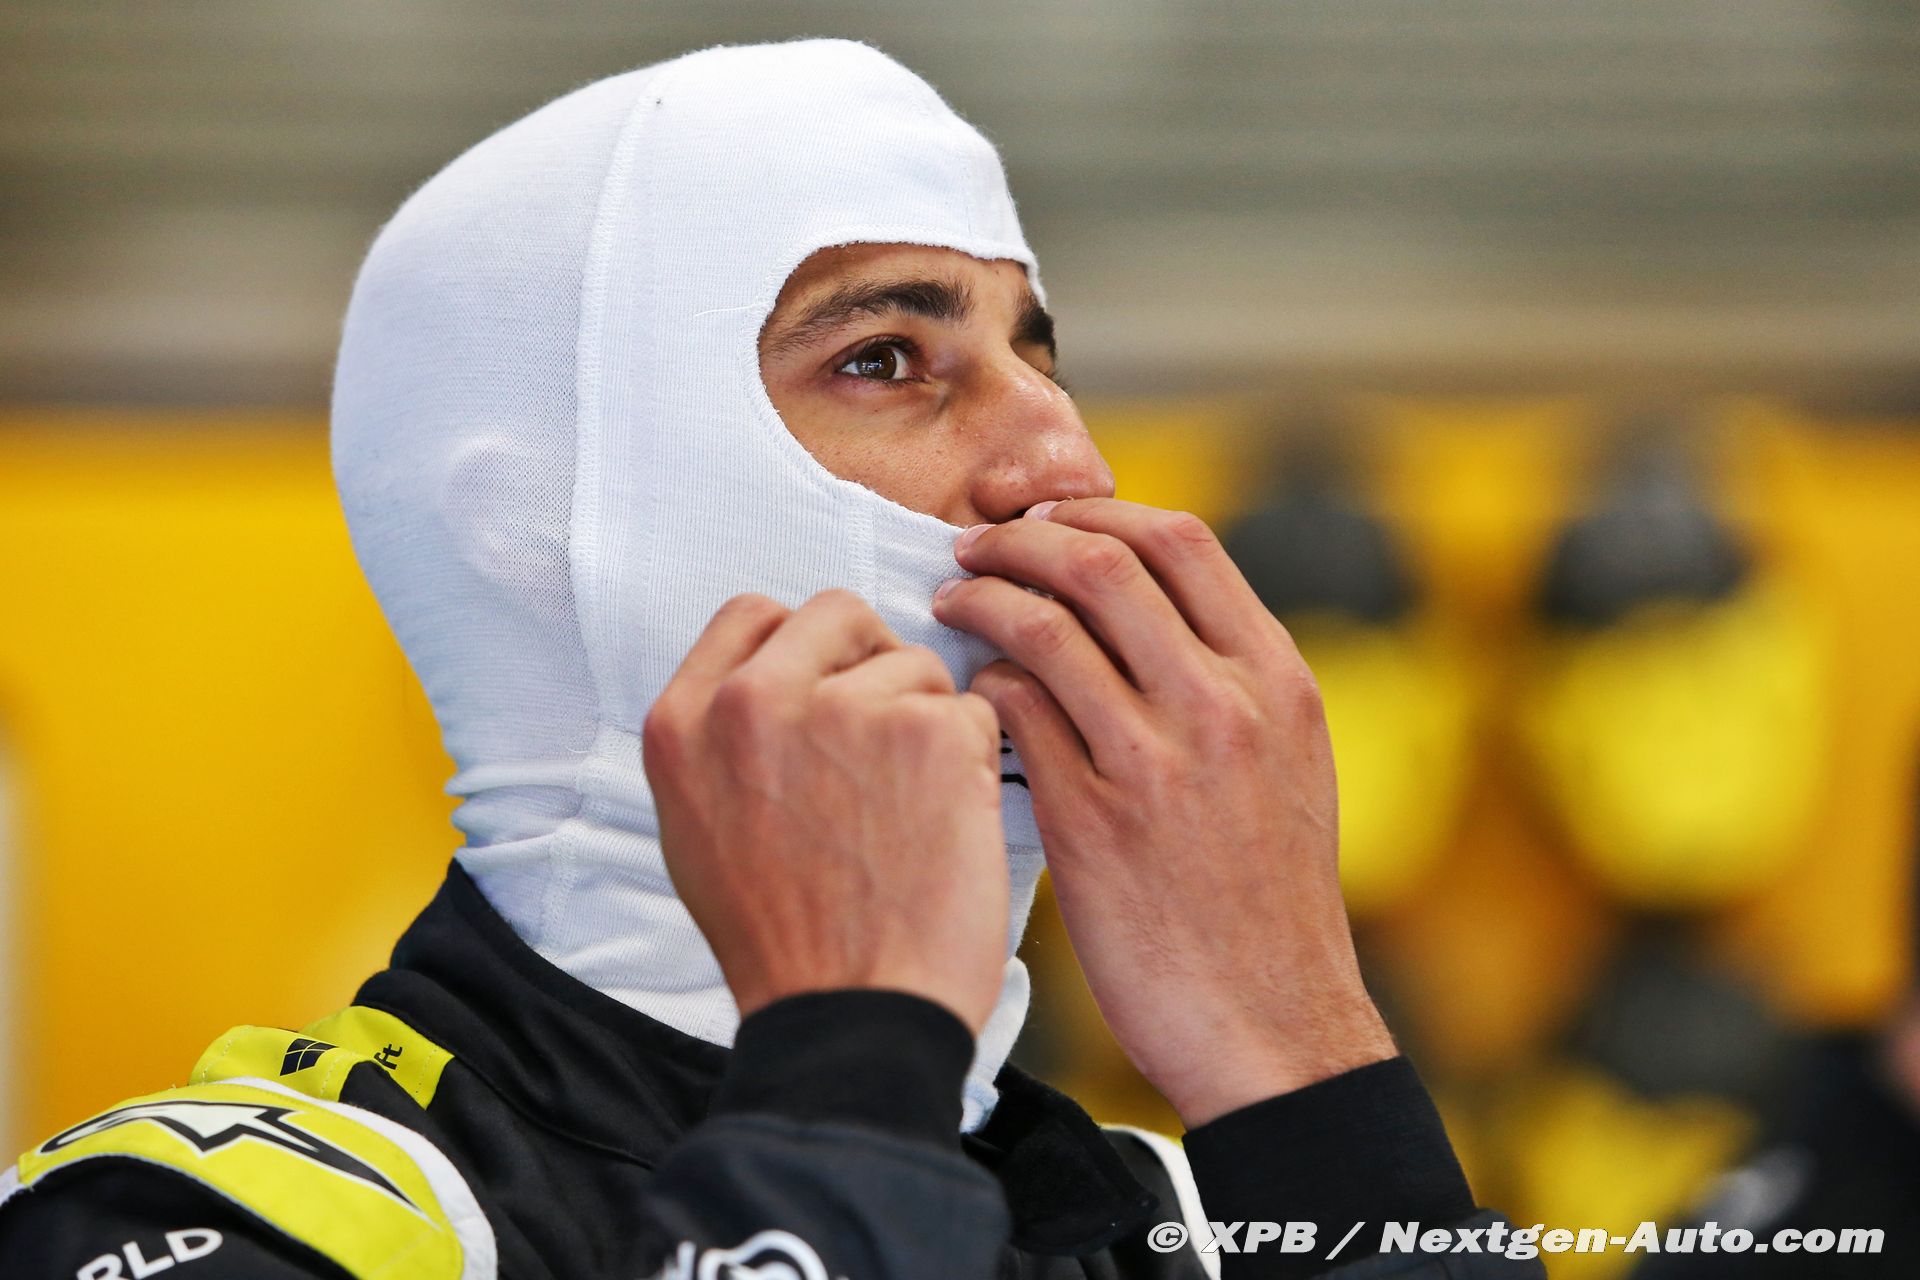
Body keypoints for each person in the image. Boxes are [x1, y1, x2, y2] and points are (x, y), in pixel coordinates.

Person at [0, 40, 1545, 1279]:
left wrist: (1302, 1066)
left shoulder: (1188, 1215)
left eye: (1038, 356)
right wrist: (853, 1066)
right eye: (886, 358)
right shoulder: (192, 1228)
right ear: (535, 532)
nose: (1066, 461)